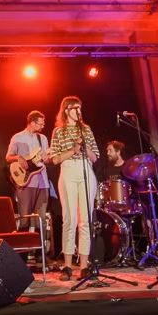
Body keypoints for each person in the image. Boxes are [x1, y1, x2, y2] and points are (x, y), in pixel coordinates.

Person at [50, 96, 99, 281]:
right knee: (69, 220)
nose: (78, 111)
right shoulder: (58, 131)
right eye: (74, 108)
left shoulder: (86, 129)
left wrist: (84, 147)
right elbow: (54, 159)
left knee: (85, 220)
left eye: (79, 108)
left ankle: (84, 266)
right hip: (68, 170)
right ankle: (68, 266)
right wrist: (73, 149)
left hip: (86, 169)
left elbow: (95, 157)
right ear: (66, 110)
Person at [6, 111, 53, 236]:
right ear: (32, 123)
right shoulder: (17, 137)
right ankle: (23, 247)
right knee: (24, 219)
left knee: (40, 220)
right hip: (26, 181)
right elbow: (8, 157)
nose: (43, 126)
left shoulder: (43, 138)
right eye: (40, 124)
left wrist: (47, 158)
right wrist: (18, 158)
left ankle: (40, 247)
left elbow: (46, 159)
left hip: (42, 183)